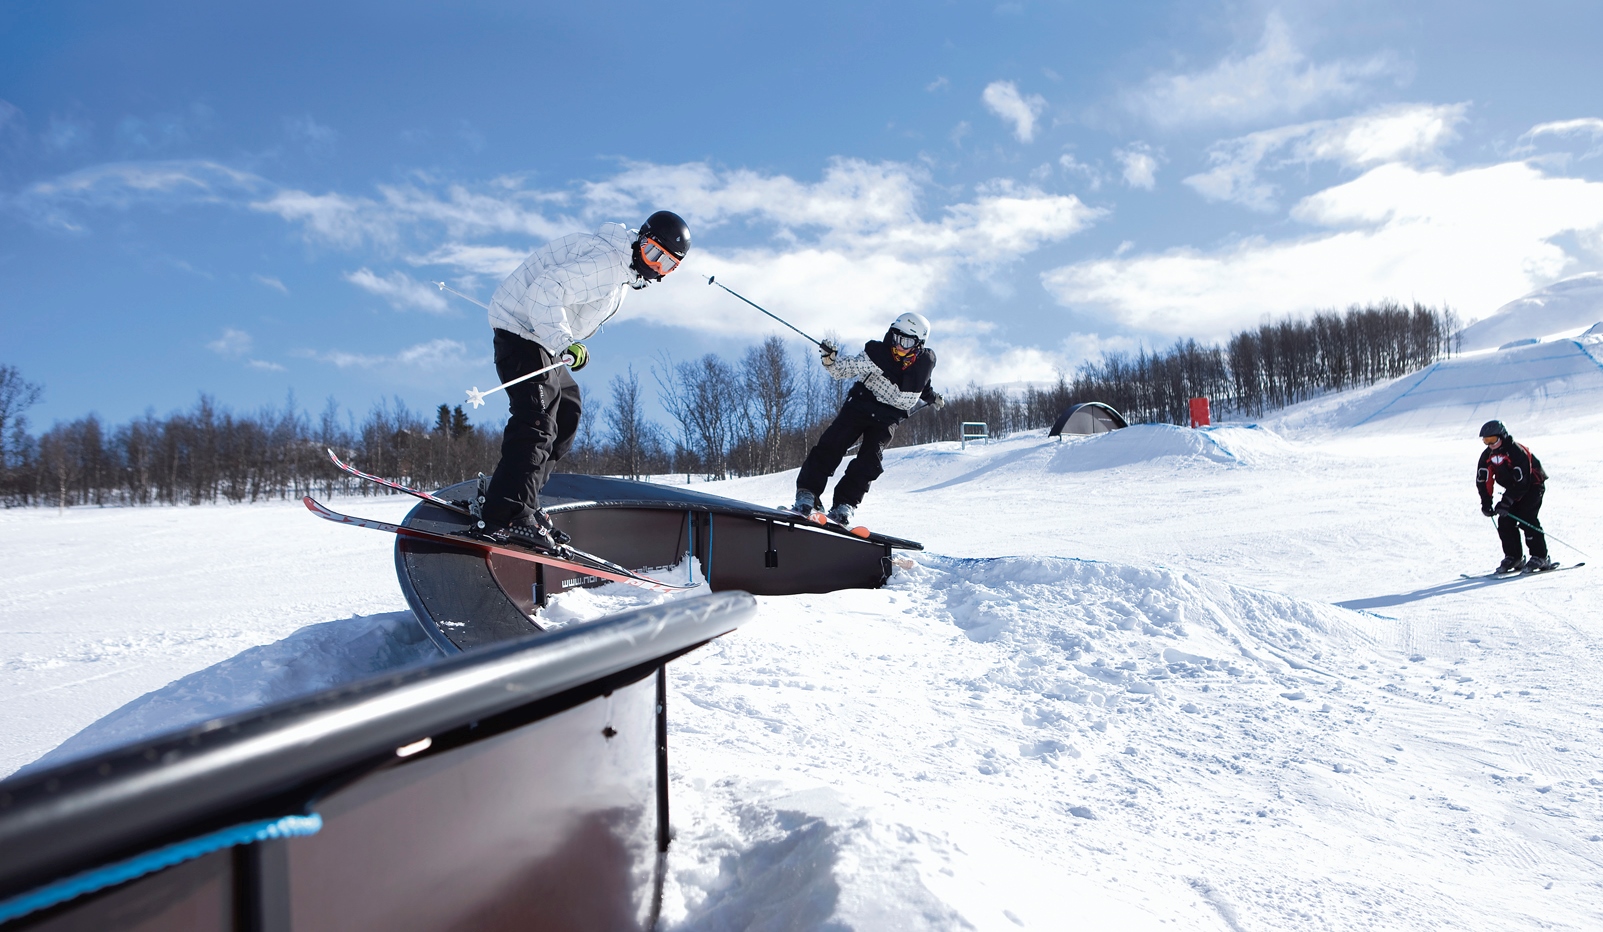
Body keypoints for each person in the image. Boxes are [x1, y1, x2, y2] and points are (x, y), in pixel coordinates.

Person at [477, 210, 690, 550]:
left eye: (666, 264)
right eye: (652, 253)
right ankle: (507, 512)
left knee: (567, 412)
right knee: (537, 419)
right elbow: (543, 292)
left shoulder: (622, 269)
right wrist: (566, 342)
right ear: (640, 240)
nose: (654, 266)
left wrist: (561, 340)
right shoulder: (608, 265)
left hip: (539, 335)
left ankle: (524, 500)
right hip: (522, 331)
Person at [793, 312, 944, 527]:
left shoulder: (926, 363)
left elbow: (923, 384)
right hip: (861, 405)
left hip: (888, 417)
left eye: (907, 341)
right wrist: (830, 360)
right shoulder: (878, 354)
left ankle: (845, 504)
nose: (899, 346)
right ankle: (808, 493)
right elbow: (845, 368)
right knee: (832, 444)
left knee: (870, 460)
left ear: (919, 345)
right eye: (896, 337)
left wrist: (933, 397)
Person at [1475, 419, 1554, 573]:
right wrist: (1486, 502)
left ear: (1502, 436)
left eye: (1492, 440)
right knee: (1505, 520)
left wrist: (1507, 501)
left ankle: (1541, 557)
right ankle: (1514, 557)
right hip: (1514, 488)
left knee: (1526, 517)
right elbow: (1483, 480)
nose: (1490, 444)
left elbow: (1523, 481)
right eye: (1486, 441)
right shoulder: (1487, 456)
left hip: (1533, 486)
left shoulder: (1516, 451)